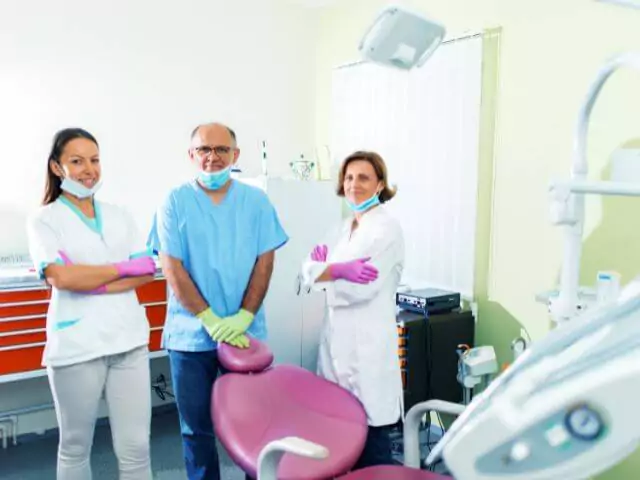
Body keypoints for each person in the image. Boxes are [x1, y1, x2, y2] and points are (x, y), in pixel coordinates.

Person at [147, 122, 288, 480]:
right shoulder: (174, 201)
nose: (212, 157)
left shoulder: (256, 201)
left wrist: (243, 316)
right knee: (196, 430)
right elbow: (171, 266)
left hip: (245, 335)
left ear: (235, 155)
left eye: (221, 149)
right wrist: (209, 319)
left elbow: (265, 261)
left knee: (255, 426)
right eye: (204, 149)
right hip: (191, 337)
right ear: (191, 155)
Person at [26, 128, 157, 480]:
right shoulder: (44, 220)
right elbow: (62, 278)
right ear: (57, 167)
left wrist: (92, 281)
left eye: (95, 160)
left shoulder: (120, 215)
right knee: (74, 446)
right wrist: (120, 268)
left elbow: (146, 273)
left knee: (137, 449)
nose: (89, 169)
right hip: (77, 346)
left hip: (128, 340)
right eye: (77, 161)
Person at [301, 150, 405, 470]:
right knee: (337, 436)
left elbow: (362, 287)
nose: (353, 184)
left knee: (371, 447)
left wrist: (327, 271)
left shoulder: (386, 229)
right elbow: (305, 273)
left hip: (367, 352)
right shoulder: (343, 228)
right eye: (348, 177)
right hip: (336, 346)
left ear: (379, 185)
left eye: (363, 177)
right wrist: (333, 270)